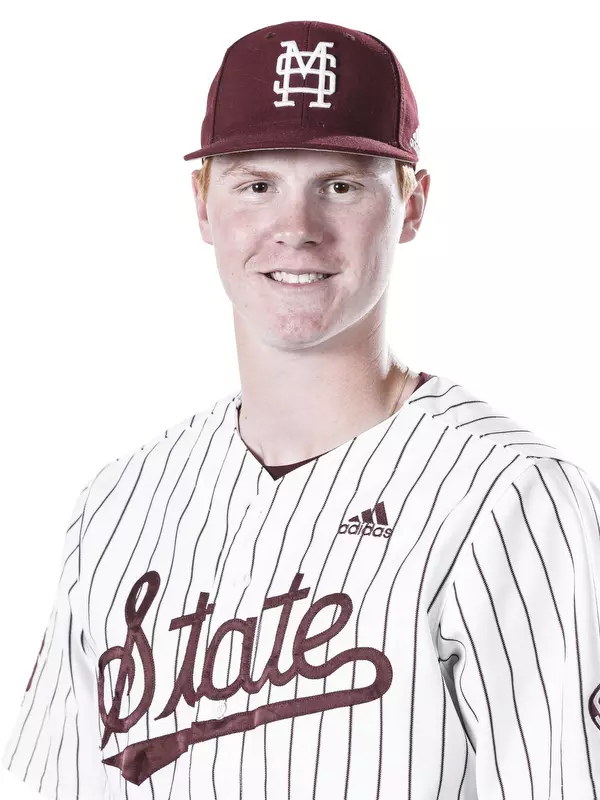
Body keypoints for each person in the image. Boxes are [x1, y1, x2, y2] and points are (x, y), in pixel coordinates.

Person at [2, 18, 600, 800]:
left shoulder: (511, 497)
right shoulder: (117, 507)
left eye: (341, 185)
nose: (296, 229)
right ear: (204, 203)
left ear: (413, 204)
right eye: (257, 184)